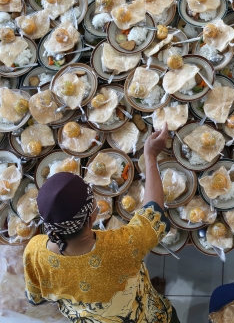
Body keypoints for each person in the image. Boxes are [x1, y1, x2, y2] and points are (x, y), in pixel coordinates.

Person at [23, 123, 181, 323]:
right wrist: (150, 156)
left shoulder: (34, 251)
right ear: (92, 217)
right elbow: (154, 212)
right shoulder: (124, 245)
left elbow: (35, 298)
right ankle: (144, 293)